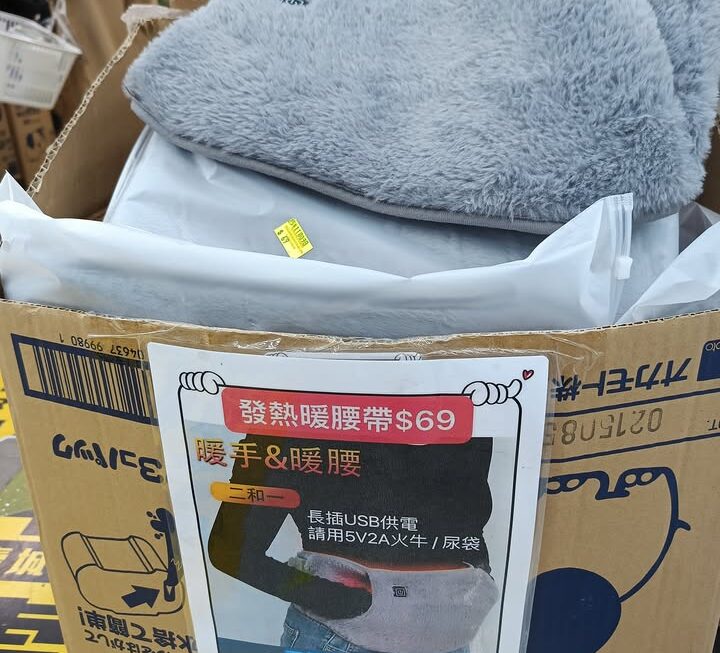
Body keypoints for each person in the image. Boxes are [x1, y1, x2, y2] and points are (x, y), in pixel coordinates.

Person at [209, 434, 498, 653]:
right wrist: (334, 597)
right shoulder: (292, 408)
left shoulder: (464, 389)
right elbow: (230, 549)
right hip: (338, 636)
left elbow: (464, 517)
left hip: (449, 635)